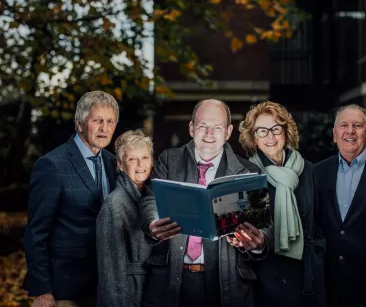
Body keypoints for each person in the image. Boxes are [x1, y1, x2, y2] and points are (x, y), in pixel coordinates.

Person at [139, 99, 263, 307]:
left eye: (217, 127)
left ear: (228, 131)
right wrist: (153, 224)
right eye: (203, 126)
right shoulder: (169, 160)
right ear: (191, 128)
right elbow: (150, 198)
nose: (209, 134)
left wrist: (257, 243)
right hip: (172, 279)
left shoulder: (248, 172)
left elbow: (263, 226)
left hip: (227, 282)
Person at [24, 91, 119, 307]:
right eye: (97, 121)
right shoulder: (52, 165)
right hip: (63, 290)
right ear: (79, 123)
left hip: (105, 287)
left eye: (110, 121)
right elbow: (36, 232)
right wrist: (43, 291)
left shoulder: (114, 164)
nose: (104, 128)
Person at [237, 101, 326, 307]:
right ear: (253, 138)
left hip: (308, 278)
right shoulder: (245, 173)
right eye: (262, 131)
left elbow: (320, 223)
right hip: (267, 279)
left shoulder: (309, 170)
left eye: (276, 128)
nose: (270, 136)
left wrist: (318, 257)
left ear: (286, 131)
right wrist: (255, 246)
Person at [314, 104, 366, 307]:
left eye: (357, 126)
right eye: (343, 125)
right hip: (329, 286)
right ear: (335, 135)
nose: (350, 131)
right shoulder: (318, 172)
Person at [97, 130, 154, 307]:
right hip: (129, 296)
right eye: (132, 159)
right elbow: (110, 275)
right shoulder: (114, 205)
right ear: (120, 165)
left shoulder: (155, 197)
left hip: (154, 291)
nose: (140, 165)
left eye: (145, 157)